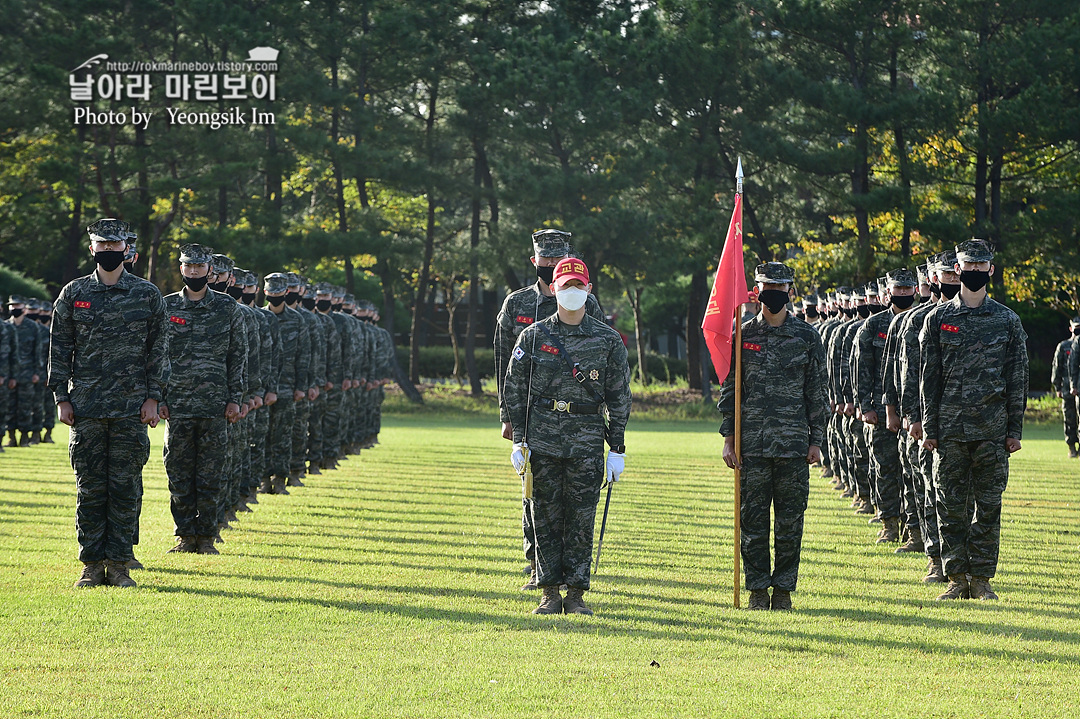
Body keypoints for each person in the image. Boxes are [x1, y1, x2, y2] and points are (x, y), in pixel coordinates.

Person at [503, 257, 631, 615]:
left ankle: (575, 593)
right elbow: (514, 388)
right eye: (565, 286)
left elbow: (619, 396)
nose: (572, 292)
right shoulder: (533, 336)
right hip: (542, 440)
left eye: (578, 286)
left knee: (579, 519)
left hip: (586, 442)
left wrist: (617, 447)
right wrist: (519, 439)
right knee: (542, 516)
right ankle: (548, 591)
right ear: (554, 289)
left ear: (589, 290)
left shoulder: (607, 340)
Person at [49, 218, 169, 588]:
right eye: (102, 246)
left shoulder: (147, 295)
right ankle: (90, 564)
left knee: (125, 487)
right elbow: (60, 347)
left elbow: (159, 350)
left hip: (131, 408)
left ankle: (118, 564)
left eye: (115, 247)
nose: (108, 252)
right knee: (89, 488)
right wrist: (61, 397)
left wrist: (153, 397)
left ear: (126, 250)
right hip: (85, 407)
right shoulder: (73, 293)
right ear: (92, 249)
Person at [494, 228, 605, 591]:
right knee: (533, 493)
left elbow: (601, 355)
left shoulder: (586, 300)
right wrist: (507, 415)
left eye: (558, 261)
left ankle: (558, 570)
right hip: (530, 412)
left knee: (568, 499)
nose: (551, 266)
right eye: (546, 261)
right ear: (535, 261)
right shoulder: (516, 304)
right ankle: (536, 562)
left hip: (575, 416)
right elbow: (503, 364)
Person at [920, 239, 1028, 601]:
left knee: (988, 506)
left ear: (991, 271)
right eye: (969, 266)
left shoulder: (1007, 320)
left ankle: (981, 578)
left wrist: (1014, 430)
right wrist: (929, 428)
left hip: (992, 431)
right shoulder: (938, 319)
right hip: (950, 431)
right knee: (950, 506)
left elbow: (1018, 378)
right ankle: (956, 578)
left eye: (982, 267)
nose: (976, 272)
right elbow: (928, 379)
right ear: (957, 270)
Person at [719, 262, 828, 611]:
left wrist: (817, 440)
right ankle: (756, 590)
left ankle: (782, 590)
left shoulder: (808, 337)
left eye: (781, 287)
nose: (774, 294)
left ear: (791, 292)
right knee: (751, 520)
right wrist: (728, 437)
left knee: (789, 522)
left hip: (793, 445)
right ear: (756, 290)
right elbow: (730, 391)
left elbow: (817, 392)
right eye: (768, 286)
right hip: (751, 445)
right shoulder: (743, 336)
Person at [160, 244, 245, 554]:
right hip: (178, 406)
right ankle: (184, 535)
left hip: (215, 405)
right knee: (179, 474)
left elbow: (237, 356)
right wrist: (159, 397)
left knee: (211, 474)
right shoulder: (167, 307)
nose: (193, 272)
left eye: (199, 267)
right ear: (181, 270)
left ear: (210, 270)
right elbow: (157, 356)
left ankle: (207, 536)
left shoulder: (227, 307)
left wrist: (235, 398)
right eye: (188, 266)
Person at [854, 270, 917, 545]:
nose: (903, 294)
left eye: (907, 289)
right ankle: (890, 524)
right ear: (888, 292)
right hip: (881, 412)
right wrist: (865, 406)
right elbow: (862, 368)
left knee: (913, 473)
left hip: (914, 410)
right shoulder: (873, 325)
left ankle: (915, 528)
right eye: (898, 289)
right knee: (885, 469)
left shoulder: (923, 318)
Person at [5, 295, 39, 447]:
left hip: (27, 373)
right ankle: (11, 437)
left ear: (23, 308)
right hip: (9, 374)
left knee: (26, 407)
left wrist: (37, 372)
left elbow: (37, 352)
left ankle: (25, 438)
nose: (14, 308)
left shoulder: (33, 327)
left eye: (17, 306)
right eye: (12, 306)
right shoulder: (6, 327)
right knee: (9, 407)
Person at [1058, 317, 1080, 457]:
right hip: (1068, 388)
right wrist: (1057, 386)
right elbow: (1058, 366)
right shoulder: (1064, 345)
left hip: (1076, 386)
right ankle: (1071, 446)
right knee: (1070, 419)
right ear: (1070, 328)